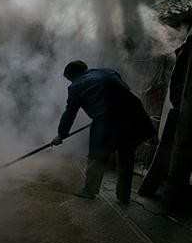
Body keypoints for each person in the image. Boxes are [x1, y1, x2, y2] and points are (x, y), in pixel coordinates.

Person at [53, 61, 155, 204]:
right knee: (126, 156)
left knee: (97, 156)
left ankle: (90, 191)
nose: (70, 82)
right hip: (135, 115)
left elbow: (70, 113)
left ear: (73, 75)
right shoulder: (109, 71)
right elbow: (123, 92)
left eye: (69, 79)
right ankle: (124, 196)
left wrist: (61, 135)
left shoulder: (76, 87)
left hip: (108, 121)